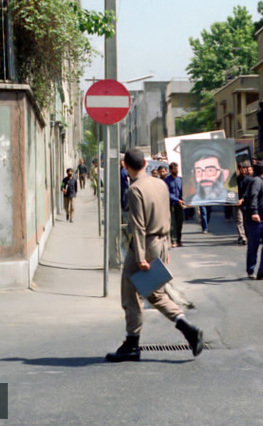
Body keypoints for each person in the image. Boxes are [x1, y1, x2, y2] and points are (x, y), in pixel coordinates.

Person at [105, 148, 205, 363]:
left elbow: (138, 226)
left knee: (130, 294)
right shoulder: (159, 183)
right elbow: (167, 216)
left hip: (145, 244)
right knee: (156, 294)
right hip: (160, 241)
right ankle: (187, 328)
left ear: (127, 166)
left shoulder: (135, 189)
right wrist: (166, 247)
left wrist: (140, 256)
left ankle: (132, 344)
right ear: (144, 164)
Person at [187, 141, 233, 206]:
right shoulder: (189, 201)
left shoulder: (233, 198)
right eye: (198, 171)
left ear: (225, 174)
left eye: (210, 170)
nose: (203, 177)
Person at [164, 162, 185, 247]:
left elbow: (184, 191)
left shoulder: (180, 180)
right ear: (171, 170)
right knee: (172, 223)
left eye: (177, 169)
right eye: (175, 169)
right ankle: (173, 240)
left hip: (180, 205)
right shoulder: (166, 181)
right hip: (171, 204)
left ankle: (179, 240)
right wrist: (177, 200)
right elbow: (167, 193)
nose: (177, 170)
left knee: (180, 222)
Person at [234, 162, 252, 245]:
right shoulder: (235, 179)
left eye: (245, 168)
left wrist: (242, 199)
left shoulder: (249, 180)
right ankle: (242, 236)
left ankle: (246, 235)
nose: (244, 170)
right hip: (237, 203)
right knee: (239, 220)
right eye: (242, 168)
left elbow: (248, 191)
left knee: (246, 220)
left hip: (246, 203)